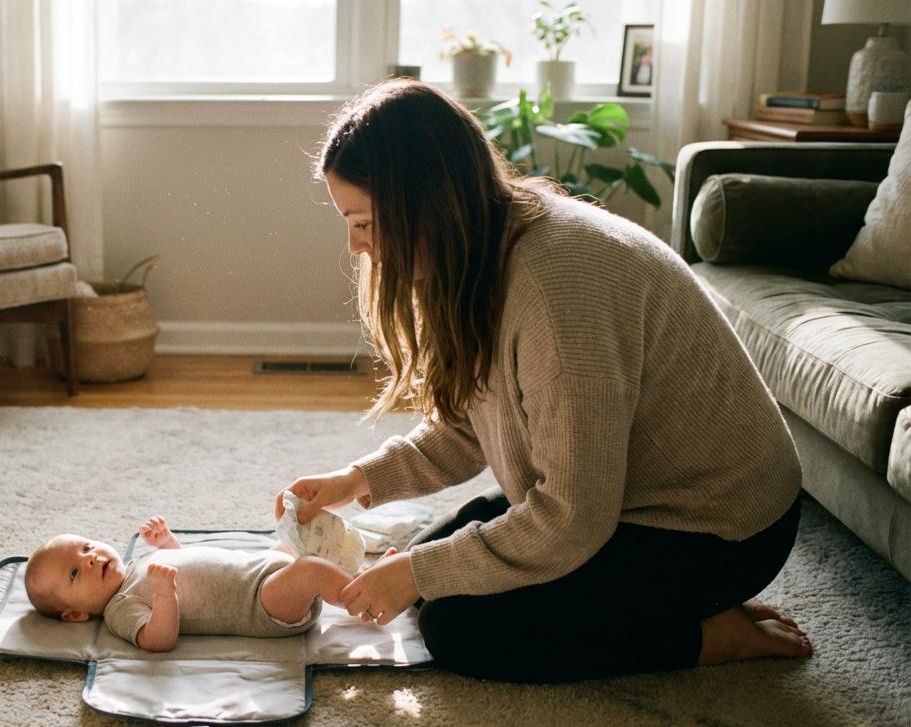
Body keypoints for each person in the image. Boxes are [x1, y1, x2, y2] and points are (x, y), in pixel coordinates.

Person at [274, 78, 812, 683]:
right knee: (426, 569)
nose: (356, 246)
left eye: (364, 223)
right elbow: (471, 424)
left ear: (425, 202)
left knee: (461, 629)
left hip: (718, 526)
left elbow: (573, 520)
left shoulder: (555, 292)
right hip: (615, 491)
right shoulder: (479, 247)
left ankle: (704, 635)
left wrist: (416, 574)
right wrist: (359, 479)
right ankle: (654, 610)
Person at [24, 515, 361, 652]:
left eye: (86, 547)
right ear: (75, 615)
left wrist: (168, 543)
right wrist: (163, 595)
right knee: (311, 570)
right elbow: (158, 640)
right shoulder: (119, 608)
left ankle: (355, 575)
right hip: (260, 604)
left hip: (258, 566)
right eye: (74, 573)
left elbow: (189, 567)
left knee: (300, 533)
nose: (90, 558)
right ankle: (363, 597)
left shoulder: (137, 564)